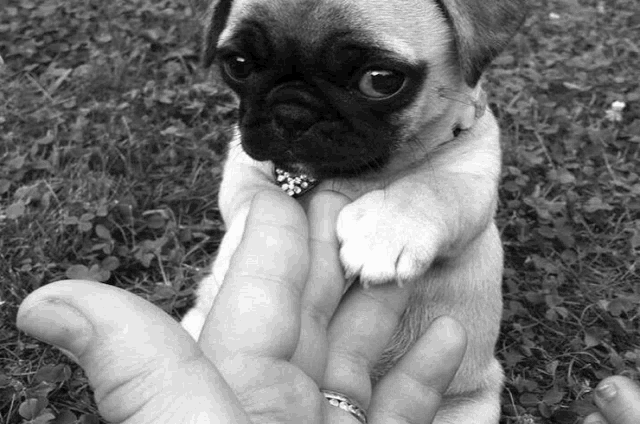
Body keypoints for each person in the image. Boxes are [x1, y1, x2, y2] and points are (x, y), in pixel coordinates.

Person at [17, 191, 640, 424]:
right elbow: (242, 196)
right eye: (242, 64)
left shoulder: (465, 137)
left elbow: (466, 198)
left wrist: (423, 207)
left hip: (450, 397)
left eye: (379, 80)